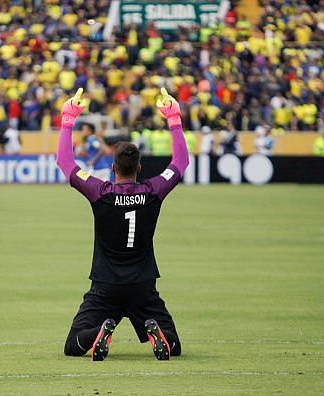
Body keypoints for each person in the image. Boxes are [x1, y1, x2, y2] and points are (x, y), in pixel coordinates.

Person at [57, 88, 188, 361]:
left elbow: (65, 162)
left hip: (105, 285)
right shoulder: (154, 191)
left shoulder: (100, 192)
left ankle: (97, 334)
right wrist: (174, 118)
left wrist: (68, 118)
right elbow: (180, 162)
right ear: (140, 167)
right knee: (174, 345)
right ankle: (159, 336)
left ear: (113, 168)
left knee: (73, 344)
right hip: (143, 285)